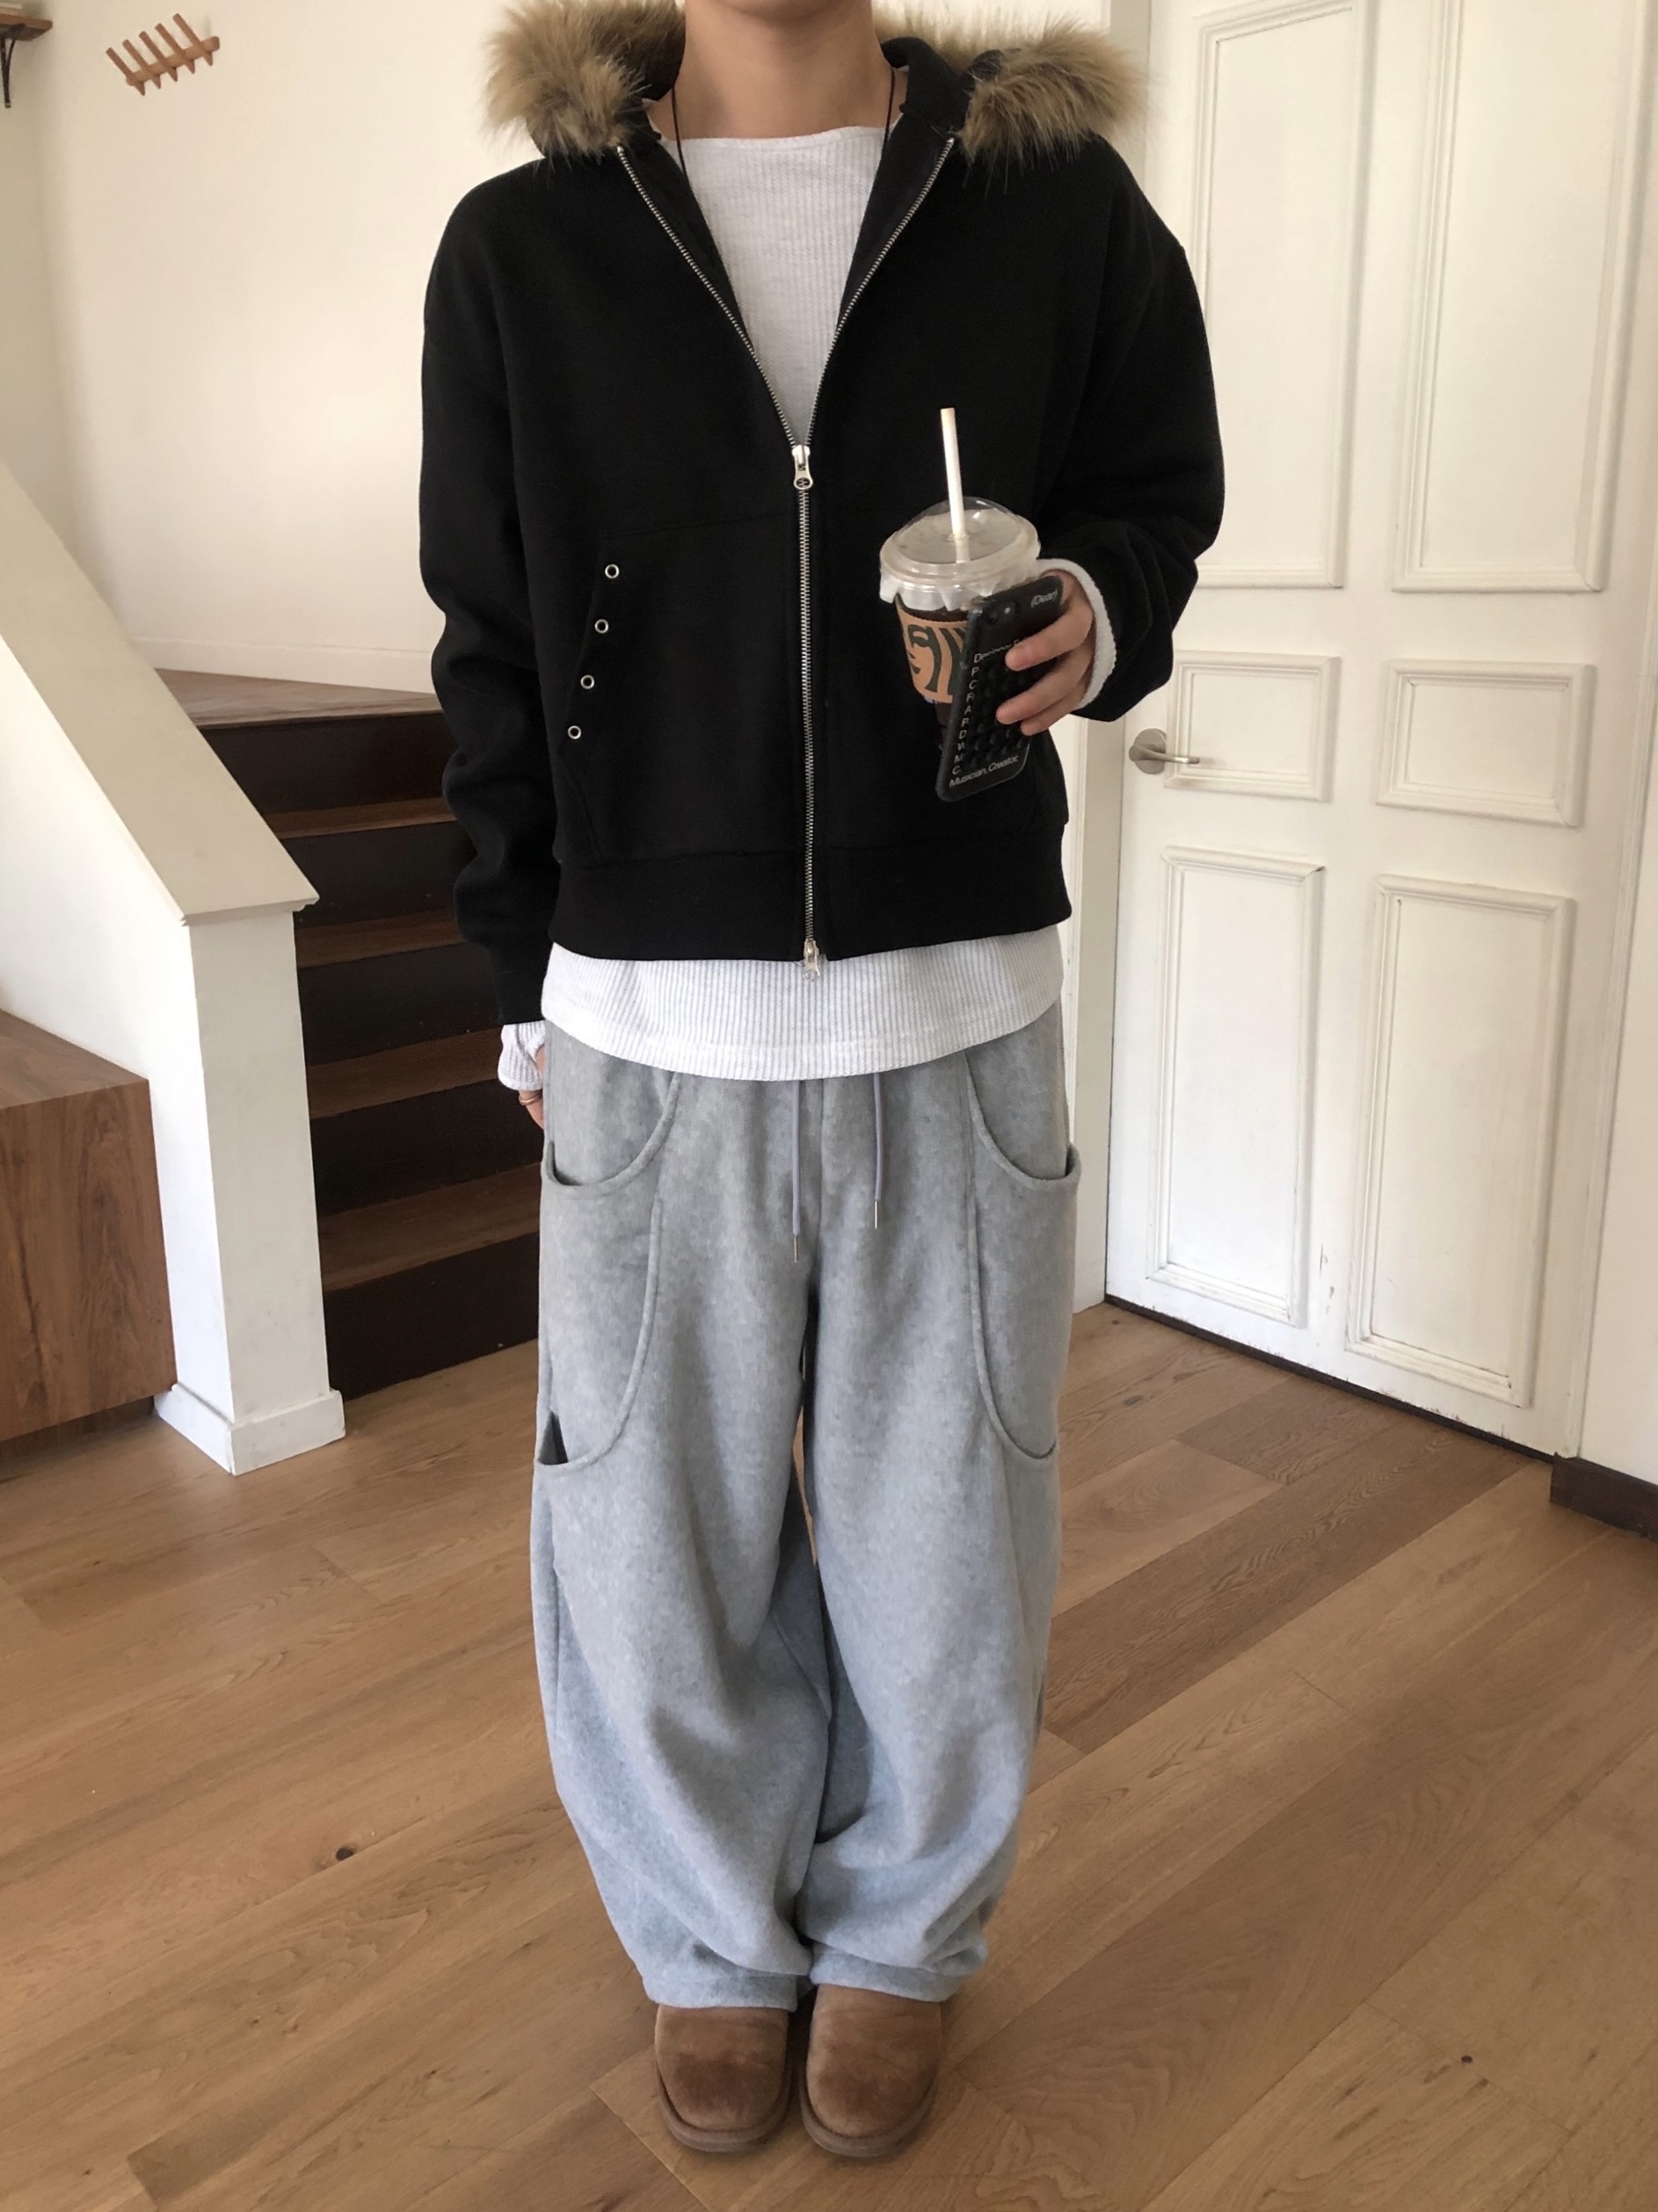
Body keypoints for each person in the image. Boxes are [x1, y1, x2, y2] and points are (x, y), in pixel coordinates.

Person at [420, 0, 1222, 2162]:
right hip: (645, 1026)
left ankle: (898, 1939)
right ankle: (708, 1938)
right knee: (646, 1541)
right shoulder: (523, 250)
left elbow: (1157, 494)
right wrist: (519, 972)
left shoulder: (1053, 205)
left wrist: (1104, 603)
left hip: (956, 1007)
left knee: (945, 1531)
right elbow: (488, 639)